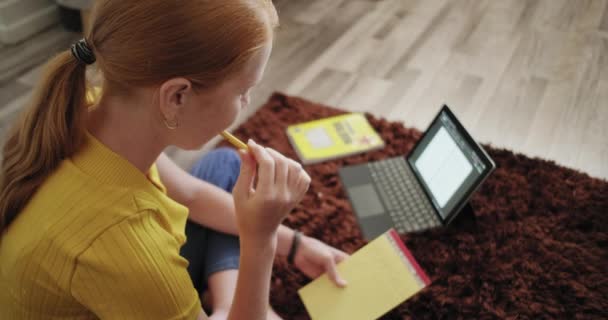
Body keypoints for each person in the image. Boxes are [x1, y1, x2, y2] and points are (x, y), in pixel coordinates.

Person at [0, 1, 349, 319]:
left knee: (225, 166)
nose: (246, 103)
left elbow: (190, 194)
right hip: (129, 271)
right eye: (243, 91)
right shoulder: (125, 245)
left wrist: (298, 246)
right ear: (177, 96)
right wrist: (261, 238)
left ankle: (225, 303)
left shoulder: (94, 109)